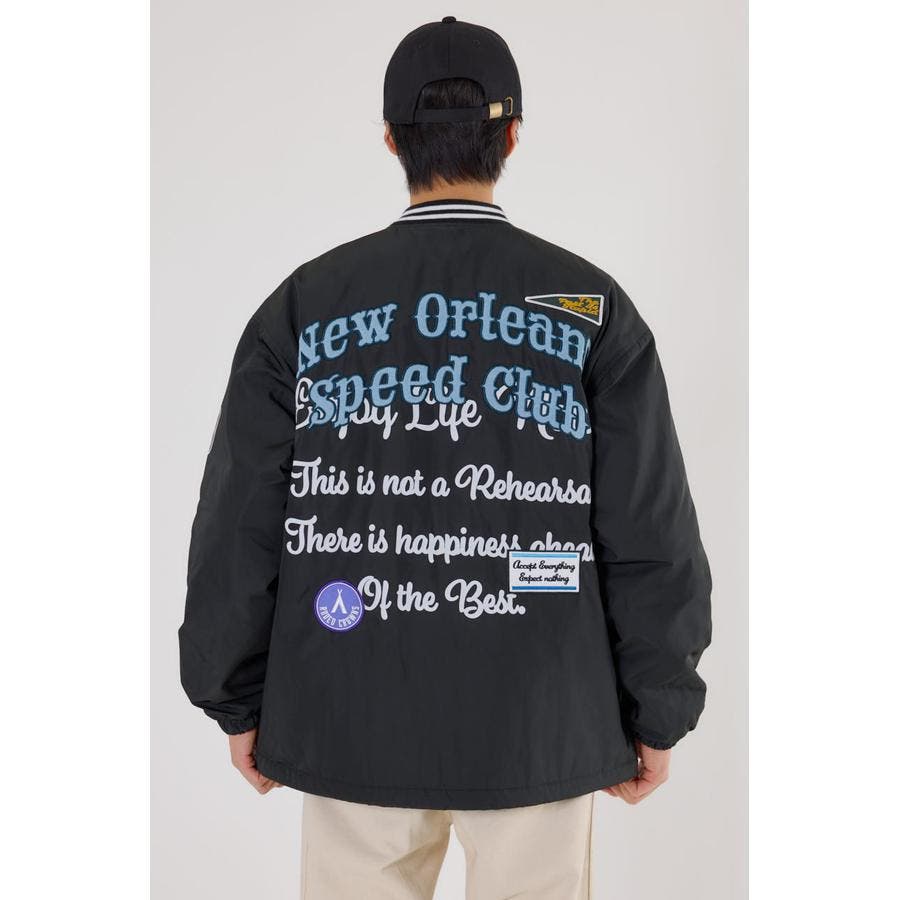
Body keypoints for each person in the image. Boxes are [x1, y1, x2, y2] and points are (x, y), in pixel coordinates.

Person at [179, 16, 712, 899]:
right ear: (513, 137)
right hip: (540, 721)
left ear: (392, 139)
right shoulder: (591, 309)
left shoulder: (304, 307)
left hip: (350, 712)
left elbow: (240, 521)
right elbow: (649, 527)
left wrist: (233, 693)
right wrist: (659, 707)